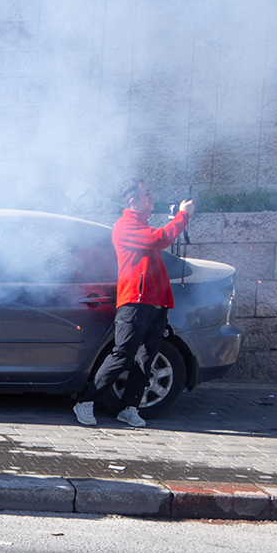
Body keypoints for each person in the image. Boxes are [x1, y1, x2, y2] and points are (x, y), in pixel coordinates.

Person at [73, 180, 193, 428]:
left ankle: (129, 408)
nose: (152, 197)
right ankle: (86, 401)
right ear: (132, 200)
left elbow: (159, 239)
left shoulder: (142, 226)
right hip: (134, 303)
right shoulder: (125, 226)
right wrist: (183, 216)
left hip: (155, 304)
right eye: (147, 194)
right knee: (123, 355)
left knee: (146, 359)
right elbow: (162, 238)